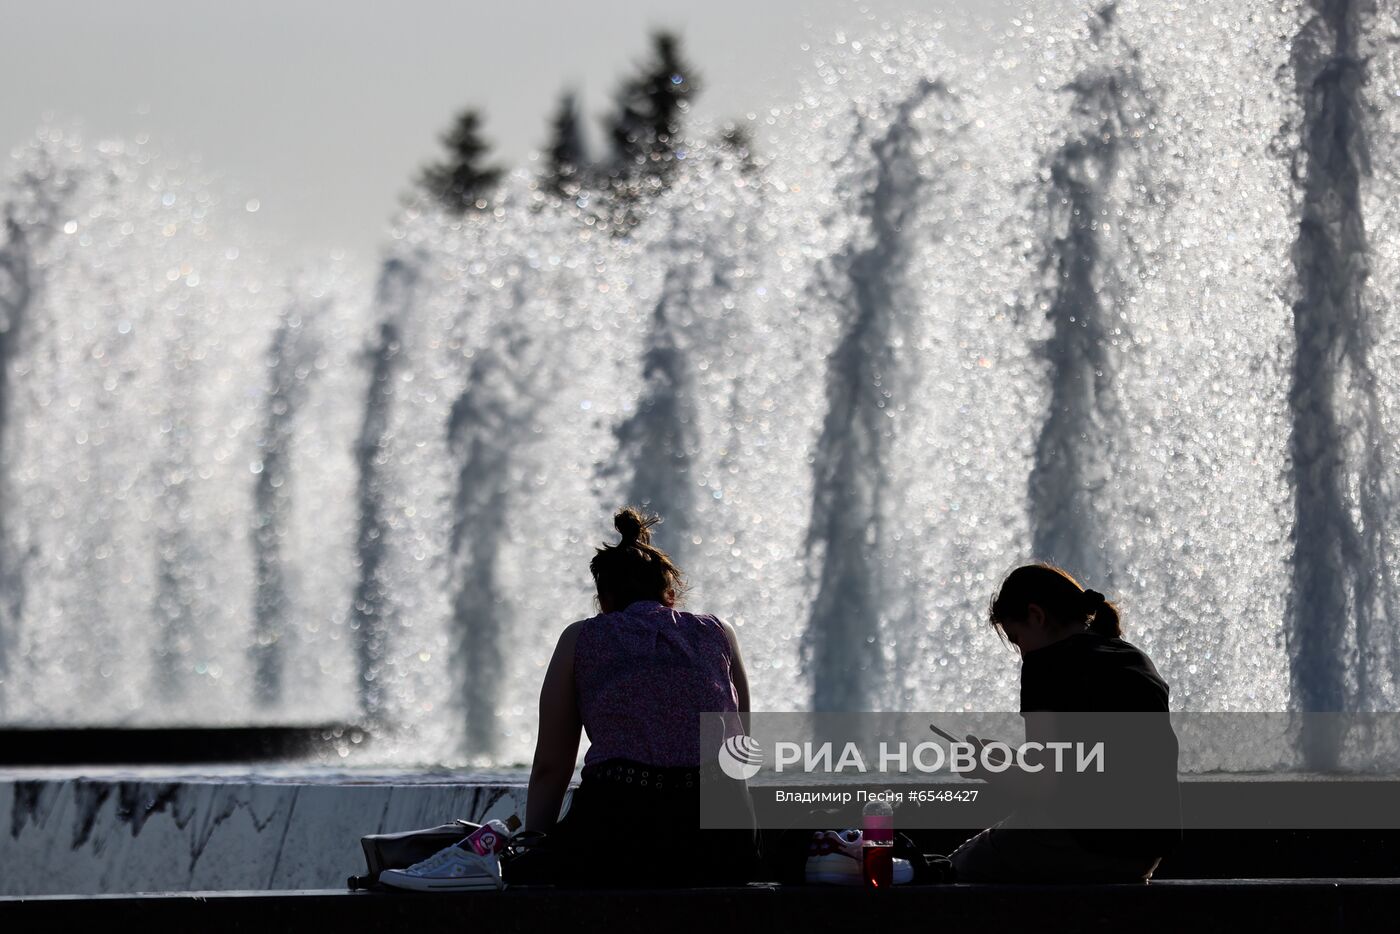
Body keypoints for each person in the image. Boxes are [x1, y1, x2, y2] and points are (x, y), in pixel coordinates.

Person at [509, 506, 759, 885]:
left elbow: (551, 765)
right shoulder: (719, 633)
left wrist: (535, 848)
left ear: (604, 602)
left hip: (616, 826)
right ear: (670, 595)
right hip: (718, 840)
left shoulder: (582, 638)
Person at [949, 563, 1181, 883]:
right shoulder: (1134, 657)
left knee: (950, 868)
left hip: (1084, 844)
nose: (1021, 653)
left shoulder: (1045, 666)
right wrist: (1008, 760)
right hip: (1143, 854)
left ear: (1036, 615)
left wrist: (985, 767)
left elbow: (1043, 786)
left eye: (1017, 639)